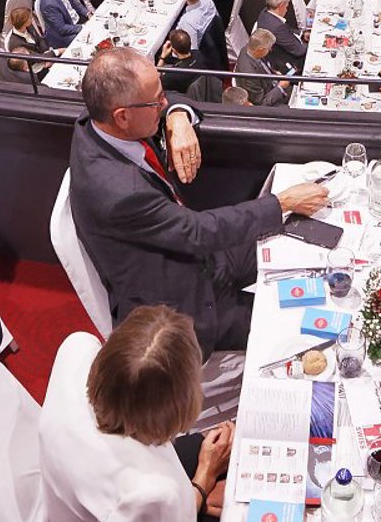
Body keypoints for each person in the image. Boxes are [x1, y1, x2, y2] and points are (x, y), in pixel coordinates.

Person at [66, 48, 326, 351]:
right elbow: (198, 231)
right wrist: (283, 202)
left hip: (198, 255)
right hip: (179, 303)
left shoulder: (96, 117)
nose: (164, 103)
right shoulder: (119, 192)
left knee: (295, 244)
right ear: (122, 116)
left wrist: (177, 117)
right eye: (157, 102)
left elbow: (172, 98)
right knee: (295, 321)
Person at [39, 308, 233, 522]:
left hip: (76, 494)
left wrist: (196, 492)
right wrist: (201, 485)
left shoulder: (77, 347)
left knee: (206, 451)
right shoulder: (153, 493)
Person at [231, 30, 289, 106]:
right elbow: (261, 103)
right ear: (260, 50)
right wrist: (280, 87)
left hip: (271, 82)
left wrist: (274, 72)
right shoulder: (250, 75)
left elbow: (263, 65)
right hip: (269, 98)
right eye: (268, 48)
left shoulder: (249, 48)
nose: (270, 50)